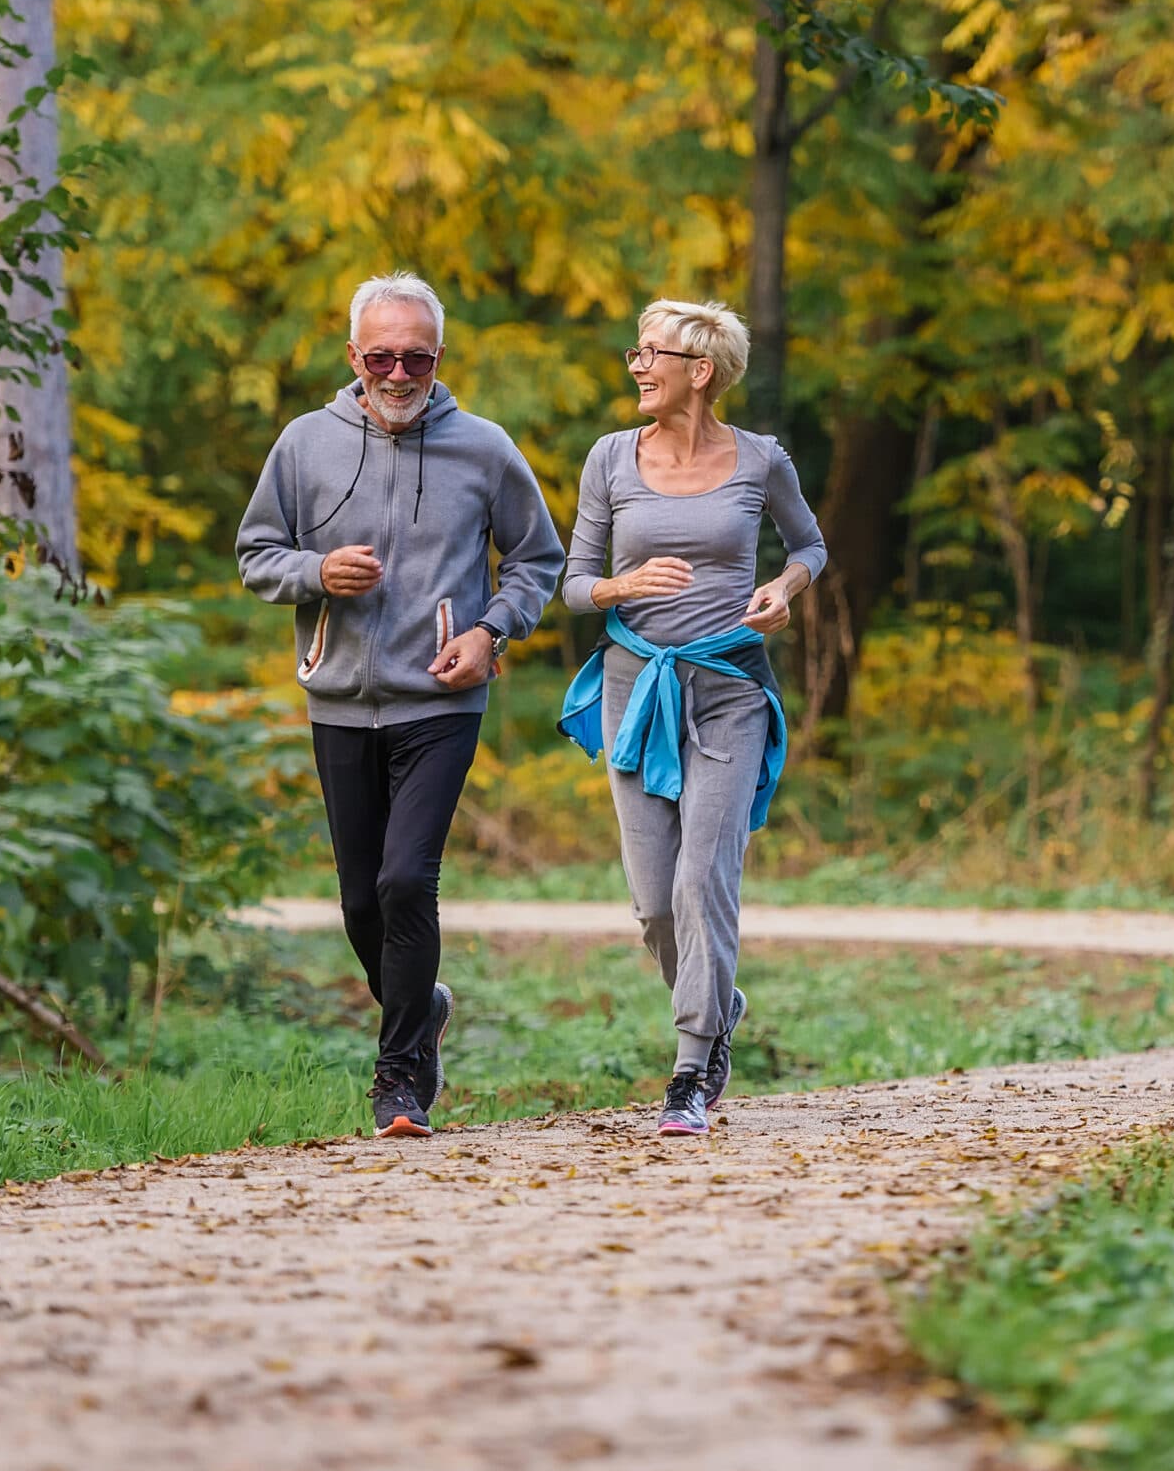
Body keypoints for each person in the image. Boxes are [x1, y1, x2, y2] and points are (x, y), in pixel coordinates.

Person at [237, 272, 566, 1138]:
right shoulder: (305, 444)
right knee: (359, 903)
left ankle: (398, 1080)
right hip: (339, 697)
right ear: (354, 356)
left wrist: (493, 631)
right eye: (380, 355)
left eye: (415, 356)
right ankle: (426, 1005)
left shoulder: (485, 448)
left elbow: (540, 560)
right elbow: (256, 551)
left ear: (438, 358)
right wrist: (315, 573)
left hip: (440, 700)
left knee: (404, 879)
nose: (397, 372)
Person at [557, 299, 826, 1137]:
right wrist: (620, 586)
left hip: (730, 689)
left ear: (698, 371)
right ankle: (719, 1000)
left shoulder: (760, 460)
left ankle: (690, 1065)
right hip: (636, 692)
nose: (636, 366)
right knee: (654, 906)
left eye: (651, 354)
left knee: (703, 877)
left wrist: (782, 591)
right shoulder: (609, 459)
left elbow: (808, 547)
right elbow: (571, 583)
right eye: (635, 353)